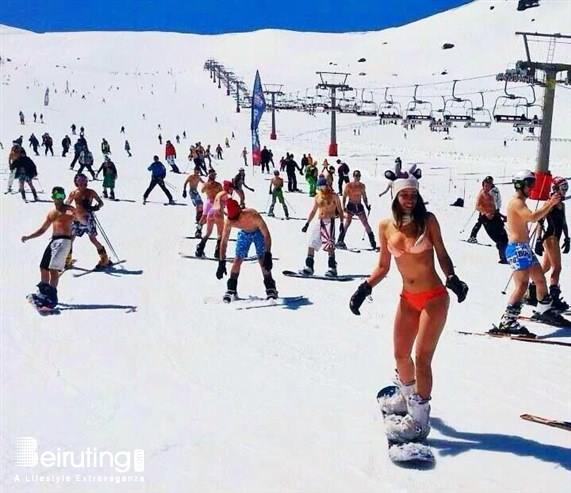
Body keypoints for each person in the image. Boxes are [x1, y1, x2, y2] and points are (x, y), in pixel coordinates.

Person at [349, 164, 468, 443]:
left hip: (434, 298)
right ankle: (406, 398)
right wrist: (364, 288)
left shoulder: (428, 221)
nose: (409, 199)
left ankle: (419, 421)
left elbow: (442, 254)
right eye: (404, 195)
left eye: (413, 195)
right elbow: (383, 266)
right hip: (408, 299)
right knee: (401, 354)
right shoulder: (385, 226)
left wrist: (452, 277)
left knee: (422, 358)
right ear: (395, 195)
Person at [492, 170, 563, 335]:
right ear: (520, 185)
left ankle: (544, 309)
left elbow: (533, 216)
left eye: (533, 184)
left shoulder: (521, 202)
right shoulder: (516, 203)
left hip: (524, 248)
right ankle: (508, 320)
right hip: (517, 249)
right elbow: (532, 217)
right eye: (530, 184)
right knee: (522, 284)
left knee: (539, 278)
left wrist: (548, 204)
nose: (532, 188)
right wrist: (550, 204)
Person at [21, 186, 75, 308]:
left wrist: (85, 213)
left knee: (53, 269)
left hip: (64, 240)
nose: (59, 198)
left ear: (64, 197)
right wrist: (28, 237)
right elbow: (42, 230)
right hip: (54, 241)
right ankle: (43, 293)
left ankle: (52, 297)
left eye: (61, 196)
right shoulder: (52, 213)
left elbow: (79, 216)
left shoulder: (69, 210)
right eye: (56, 196)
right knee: (43, 267)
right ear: (52, 197)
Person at [216, 198, 277, 302]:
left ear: (240, 212)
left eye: (237, 218)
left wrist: (268, 253)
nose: (236, 221)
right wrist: (221, 262)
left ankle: (270, 288)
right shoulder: (229, 221)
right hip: (244, 234)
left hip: (258, 233)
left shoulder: (253, 215)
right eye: (233, 219)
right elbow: (224, 241)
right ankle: (231, 288)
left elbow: (266, 235)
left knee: (262, 260)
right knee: (237, 260)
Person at [534, 176, 569, 311]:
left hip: (556, 238)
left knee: (546, 267)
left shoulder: (562, 205)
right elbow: (540, 220)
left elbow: (564, 223)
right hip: (550, 238)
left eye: (566, 187)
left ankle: (532, 290)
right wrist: (538, 239)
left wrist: (567, 238)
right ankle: (554, 299)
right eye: (563, 187)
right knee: (557, 268)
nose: (565, 190)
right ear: (556, 188)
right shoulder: (550, 203)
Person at [300, 175, 344, 276]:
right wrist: (307, 223)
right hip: (320, 221)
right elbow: (313, 211)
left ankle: (332, 268)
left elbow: (340, 210)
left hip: (330, 221)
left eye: (322, 186)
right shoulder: (318, 196)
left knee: (329, 245)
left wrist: (342, 223)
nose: (320, 188)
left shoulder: (334, 196)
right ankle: (309, 267)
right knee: (311, 243)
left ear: (326, 185)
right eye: (319, 186)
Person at [66, 174, 111, 269]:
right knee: (71, 239)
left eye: (84, 181)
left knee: (93, 239)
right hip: (77, 219)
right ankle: (67, 259)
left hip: (87, 219)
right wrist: (71, 211)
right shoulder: (73, 193)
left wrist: (95, 207)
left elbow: (101, 203)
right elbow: (67, 205)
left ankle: (104, 259)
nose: (82, 183)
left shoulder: (91, 192)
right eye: (80, 181)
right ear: (76, 182)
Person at [468, 176, 508, 263]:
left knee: (503, 236)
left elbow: (496, 205)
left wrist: (501, 215)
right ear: (483, 185)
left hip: (494, 216)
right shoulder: (482, 194)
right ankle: (473, 236)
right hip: (486, 218)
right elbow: (477, 206)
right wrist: (485, 213)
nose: (487, 187)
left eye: (489, 185)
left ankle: (504, 255)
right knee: (497, 236)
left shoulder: (493, 192)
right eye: (486, 185)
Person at [337, 170, 375, 249]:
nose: (357, 177)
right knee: (347, 223)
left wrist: (367, 206)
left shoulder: (362, 186)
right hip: (351, 206)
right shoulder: (348, 185)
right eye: (356, 176)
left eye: (358, 176)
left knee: (365, 223)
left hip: (359, 206)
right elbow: (344, 197)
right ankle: (340, 240)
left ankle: (373, 242)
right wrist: (343, 206)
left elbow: (364, 197)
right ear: (353, 176)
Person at [195, 174, 226, 258]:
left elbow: (202, 191)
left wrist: (208, 187)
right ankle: (217, 252)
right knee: (220, 234)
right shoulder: (218, 185)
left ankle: (200, 245)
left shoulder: (206, 184)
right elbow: (222, 197)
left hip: (209, 205)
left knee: (207, 231)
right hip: (217, 207)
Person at [182, 167, 205, 238]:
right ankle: (198, 218)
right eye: (196, 171)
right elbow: (185, 183)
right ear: (194, 171)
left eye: (198, 172)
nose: (197, 173)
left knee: (200, 204)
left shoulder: (198, 177)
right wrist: (184, 190)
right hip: (192, 192)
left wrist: (208, 185)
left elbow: (203, 182)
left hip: (196, 191)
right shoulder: (191, 177)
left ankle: (198, 217)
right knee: (199, 204)